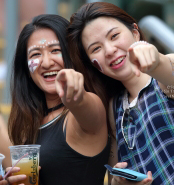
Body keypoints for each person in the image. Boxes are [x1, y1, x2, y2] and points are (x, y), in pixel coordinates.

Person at [67, 2, 174, 185]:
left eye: (114, 36)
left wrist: (156, 61)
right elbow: (116, 174)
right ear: (92, 64)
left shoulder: (167, 80)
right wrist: (118, 181)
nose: (110, 50)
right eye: (96, 48)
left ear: (135, 32)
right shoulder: (113, 109)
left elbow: (172, 69)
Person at [8, 14, 110, 185]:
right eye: (35, 54)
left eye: (56, 51)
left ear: (73, 55)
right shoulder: (30, 122)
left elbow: (86, 107)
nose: (46, 63)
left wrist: (76, 96)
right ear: (25, 68)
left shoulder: (84, 111)